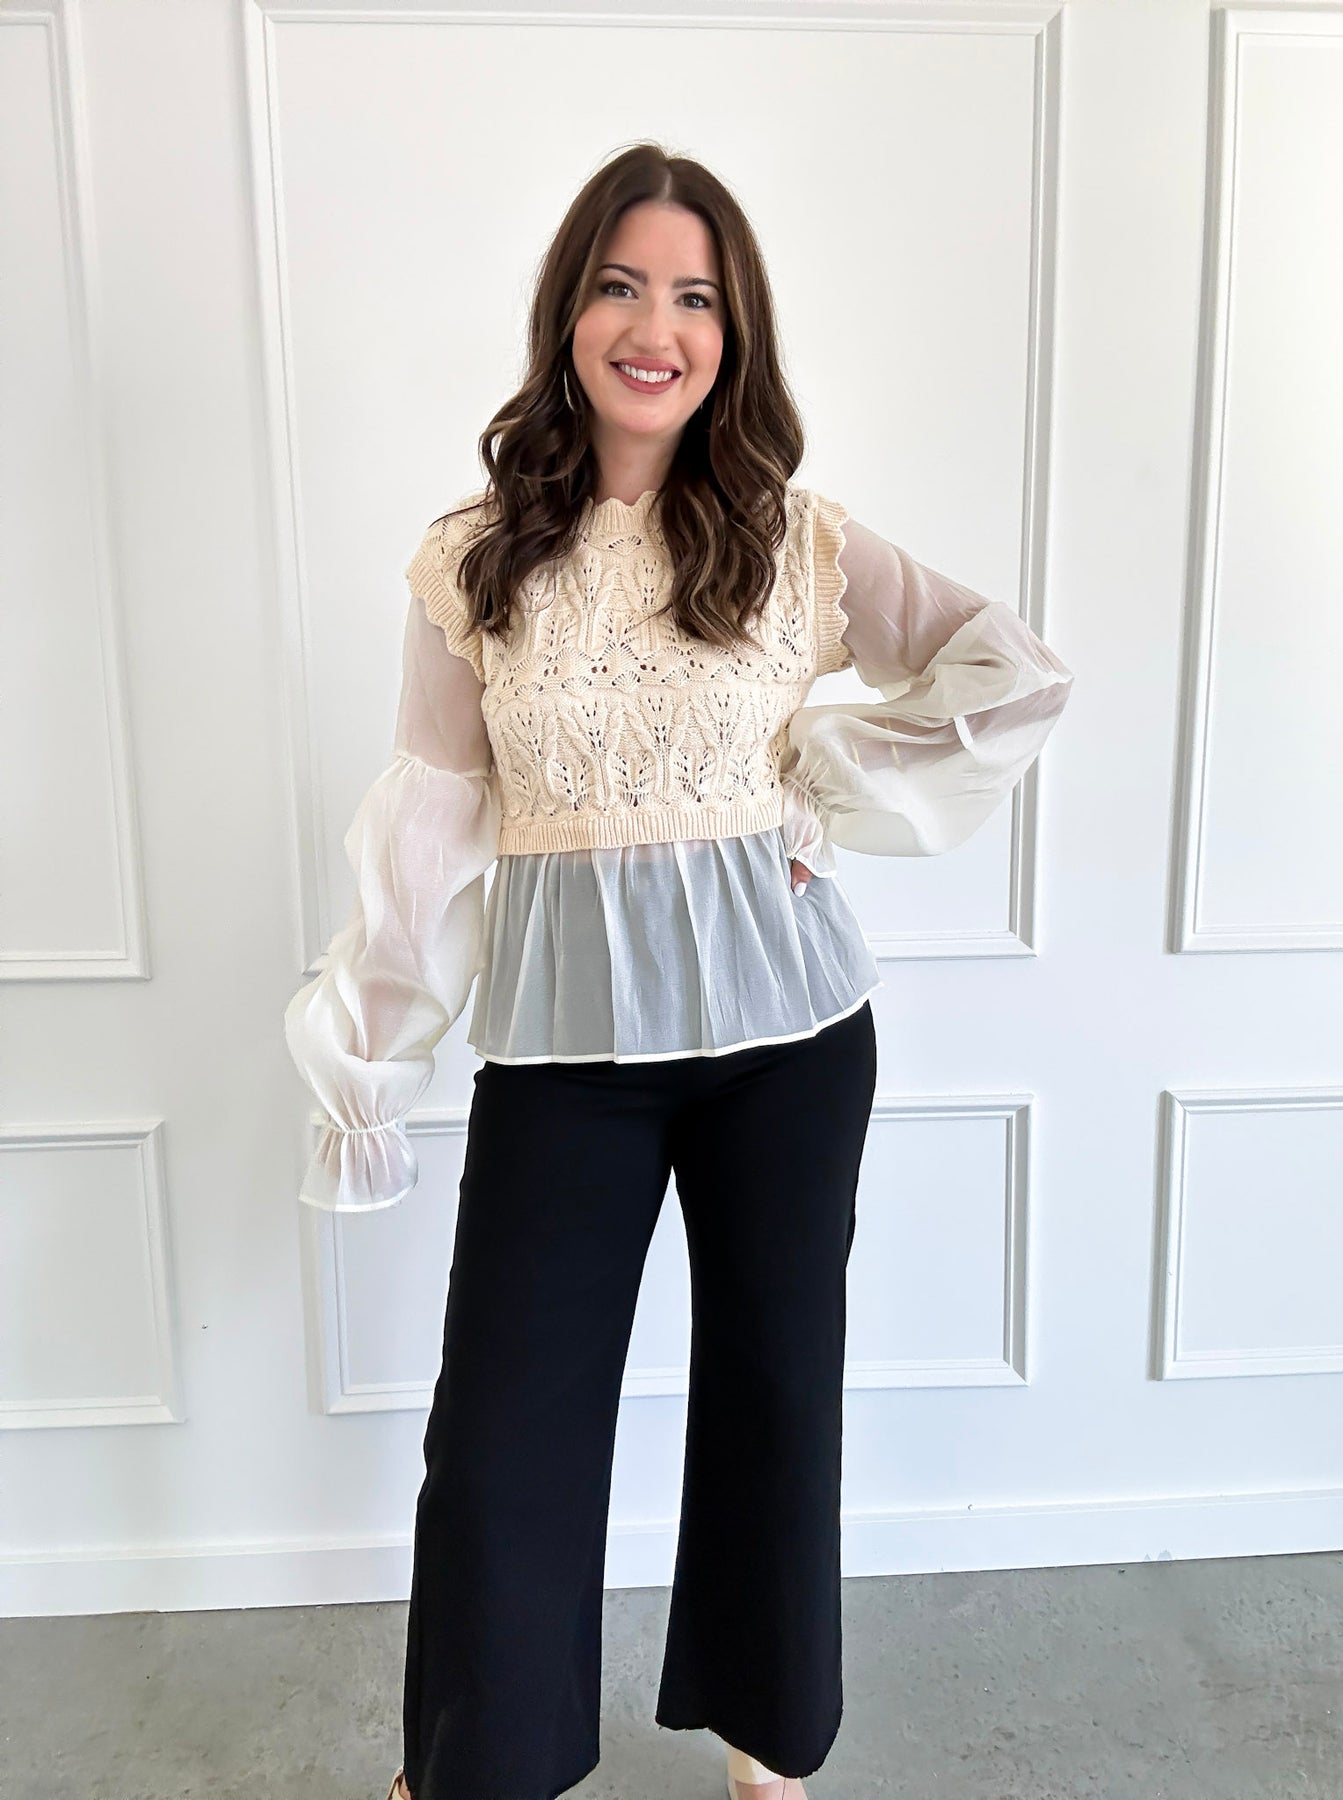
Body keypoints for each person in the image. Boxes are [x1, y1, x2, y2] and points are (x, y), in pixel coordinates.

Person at [283, 143, 1074, 1800]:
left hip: (792, 1042)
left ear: (733, 332)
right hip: (564, 1056)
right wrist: (366, 1066)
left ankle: (768, 1747)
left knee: (776, 1393)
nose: (657, 328)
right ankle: (474, 1766)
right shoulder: (475, 559)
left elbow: (1006, 675)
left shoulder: (795, 541)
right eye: (622, 286)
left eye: (695, 297)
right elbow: (429, 820)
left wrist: (829, 786)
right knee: (503, 1428)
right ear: (569, 312)